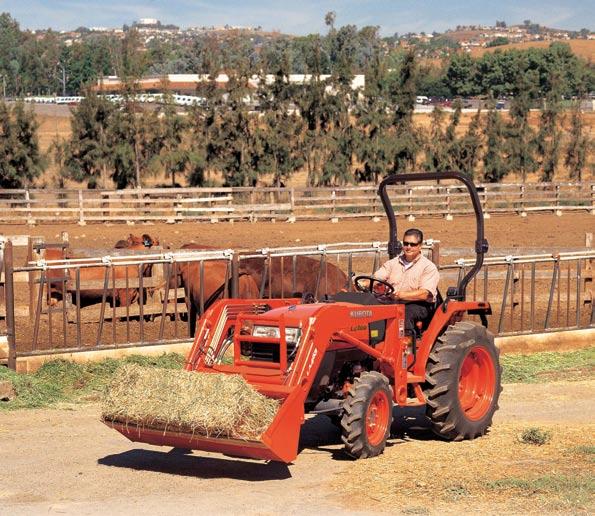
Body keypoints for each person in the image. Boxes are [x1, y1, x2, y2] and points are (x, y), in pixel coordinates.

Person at [373, 228, 440, 333]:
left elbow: (424, 294)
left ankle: (405, 344)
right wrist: (362, 282)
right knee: (368, 308)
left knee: (404, 313)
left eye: (412, 244)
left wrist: (401, 295)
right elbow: (377, 278)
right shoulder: (393, 263)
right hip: (392, 301)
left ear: (420, 246)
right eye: (406, 243)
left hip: (418, 304)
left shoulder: (428, 267)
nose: (408, 247)